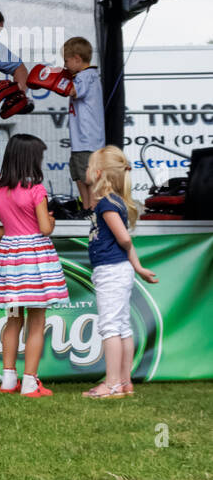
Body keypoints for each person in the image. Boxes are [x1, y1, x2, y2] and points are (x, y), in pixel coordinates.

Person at [0, 134, 68, 397]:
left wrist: (12, 228)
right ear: (32, 160)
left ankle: (8, 379)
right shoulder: (36, 191)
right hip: (35, 259)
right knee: (36, 322)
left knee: (12, 319)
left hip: (10, 259)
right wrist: (51, 221)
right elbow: (45, 227)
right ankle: (30, 382)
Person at [82, 146, 159, 399]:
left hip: (111, 271)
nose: (85, 172)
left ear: (100, 172)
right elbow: (127, 243)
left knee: (110, 327)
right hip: (118, 270)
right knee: (122, 326)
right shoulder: (114, 201)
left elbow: (124, 239)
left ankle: (113, 383)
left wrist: (133, 264)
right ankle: (124, 382)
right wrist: (137, 267)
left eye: (89, 167)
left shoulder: (107, 203)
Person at [63, 37, 104, 210]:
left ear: (77, 59)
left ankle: (93, 209)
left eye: (66, 61)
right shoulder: (89, 75)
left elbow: (72, 91)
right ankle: (88, 209)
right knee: (79, 176)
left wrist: (51, 80)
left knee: (89, 178)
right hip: (84, 141)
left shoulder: (84, 76)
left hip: (86, 141)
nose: (65, 65)